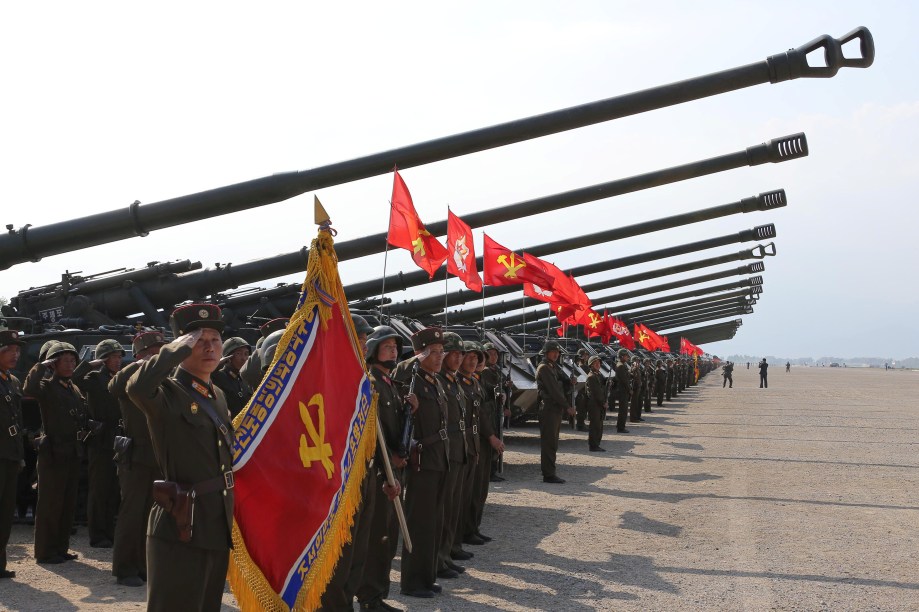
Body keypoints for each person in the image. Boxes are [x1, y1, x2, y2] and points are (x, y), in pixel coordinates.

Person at [126, 304, 235, 612]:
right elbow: (137, 387)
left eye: (215, 339)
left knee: (206, 605)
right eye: (199, 340)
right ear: (181, 345)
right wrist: (172, 351)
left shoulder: (218, 395)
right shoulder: (168, 393)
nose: (209, 347)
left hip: (215, 520)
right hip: (181, 522)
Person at [356, 326, 411, 612]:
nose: (393, 351)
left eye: (395, 347)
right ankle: (369, 598)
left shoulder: (389, 384)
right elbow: (369, 433)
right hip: (379, 472)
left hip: (394, 469)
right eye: (387, 346)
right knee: (377, 538)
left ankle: (378, 594)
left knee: (388, 538)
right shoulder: (371, 384)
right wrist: (389, 462)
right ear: (374, 350)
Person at [109, 330, 167, 587]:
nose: (161, 353)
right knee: (132, 514)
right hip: (136, 456)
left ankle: (143, 564)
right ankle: (125, 568)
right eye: (156, 349)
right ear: (143, 353)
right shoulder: (132, 373)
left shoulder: (162, 376)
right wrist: (139, 364)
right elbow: (113, 386)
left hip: (158, 455)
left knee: (152, 515)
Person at [396, 327, 449, 599]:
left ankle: (426, 577)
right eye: (434, 352)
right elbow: (398, 375)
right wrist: (416, 358)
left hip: (439, 459)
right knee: (418, 522)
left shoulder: (433, 381)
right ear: (421, 353)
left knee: (433, 522)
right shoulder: (412, 376)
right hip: (422, 461)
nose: (440, 357)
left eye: (442, 352)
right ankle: (412, 582)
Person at [25, 341, 87, 565]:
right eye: (65, 361)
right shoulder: (46, 386)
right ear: (54, 364)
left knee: (67, 504)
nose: (70, 365)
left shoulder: (72, 387)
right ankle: (45, 552)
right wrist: (43, 365)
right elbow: (29, 389)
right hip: (53, 453)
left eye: (73, 360)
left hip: (72, 451)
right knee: (50, 504)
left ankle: (61, 548)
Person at [73, 338, 125, 549]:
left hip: (118, 438)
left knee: (114, 490)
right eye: (113, 357)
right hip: (101, 439)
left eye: (119, 356)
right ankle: (97, 535)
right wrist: (91, 364)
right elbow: (75, 378)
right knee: (99, 489)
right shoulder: (94, 377)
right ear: (103, 359)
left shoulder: (119, 378)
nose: (118, 360)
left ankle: (109, 532)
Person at [465, 341, 502, 546]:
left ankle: (473, 527)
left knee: (480, 489)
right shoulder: (465, 382)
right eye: (471, 358)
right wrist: (491, 436)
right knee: (471, 490)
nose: (476, 362)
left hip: (483, 439)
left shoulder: (476, 381)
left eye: (479, 358)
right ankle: (467, 530)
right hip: (475, 440)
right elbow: (478, 415)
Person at [0, 329, 26, 579]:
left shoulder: (13, 381)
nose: (15, 355)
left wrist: (19, 454)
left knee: (6, 513)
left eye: (17, 351)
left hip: (9, 454)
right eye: (9, 350)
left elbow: (16, 419)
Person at [535, 340, 575, 484]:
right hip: (548, 408)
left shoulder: (554, 367)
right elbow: (554, 391)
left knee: (553, 442)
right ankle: (548, 474)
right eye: (553, 351)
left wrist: (571, 381)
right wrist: (567, 406)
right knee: (549, 442)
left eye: (557, 352)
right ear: (546, 352)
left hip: (554, 409)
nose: (556, 354)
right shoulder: (544, 368)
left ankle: (550, 471)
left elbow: (563, 381)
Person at [211, 337, 254, 419]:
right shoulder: (218, 377)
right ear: (228, 358)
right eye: (238, 354)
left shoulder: (244, 379)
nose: (244, 358)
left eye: (246, 354)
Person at [585, 356, 608, 452]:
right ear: (591, 365)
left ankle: (597, 444)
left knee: (599, 424)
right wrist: (603, 402)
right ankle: (593, 445)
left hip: (598, 403)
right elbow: (596, 392)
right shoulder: (591, 376)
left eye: (599, 363)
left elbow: (603, 385)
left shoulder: (598, 374)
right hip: (595, 403)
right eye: (595, 363)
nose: (598, 365)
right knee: (595, 425)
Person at [613, 349, 632, 433]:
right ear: (621, 356)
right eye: (626, 356)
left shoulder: (622, 364)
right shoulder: (620, 365)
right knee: (623, 410)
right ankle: (621, 427)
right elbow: (624, 380)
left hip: (623, 389)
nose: (627, 357)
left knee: (623, 409)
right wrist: (629, 390)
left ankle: (620, 426)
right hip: (622, 390)